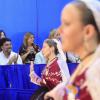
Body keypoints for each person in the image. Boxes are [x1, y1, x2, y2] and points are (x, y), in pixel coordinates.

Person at [44, 0, 100, 100]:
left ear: (87, 31)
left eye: (66, 24)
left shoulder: (96, 72)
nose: (60, 30)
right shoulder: (85, 65)